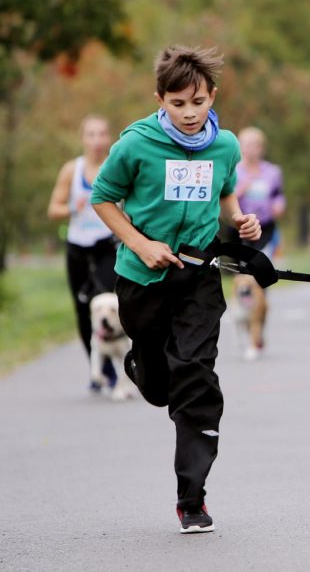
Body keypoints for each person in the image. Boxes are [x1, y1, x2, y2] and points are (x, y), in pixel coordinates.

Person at [91, 45, 261, 534]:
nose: (189, 114)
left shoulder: (224, 144)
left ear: (213, 97)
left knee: (196, 376)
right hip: (143, 280)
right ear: (160, 99)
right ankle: (144, 364)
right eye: (178, 103)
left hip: (198, 277)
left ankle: (192, 498)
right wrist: (142, 245)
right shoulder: (134, 146)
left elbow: (225, 188)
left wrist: (239, 219)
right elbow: (103, 198)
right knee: (159, 384)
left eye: (199, 102)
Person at [47, 115, 119, 392]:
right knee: (82, 309)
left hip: (107, 244)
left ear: (109, 138)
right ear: (83, 138)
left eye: (102, 134)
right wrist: (73, 208)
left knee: (109, 303)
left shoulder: (116, 167)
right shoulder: (71, 170)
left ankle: (117, 364)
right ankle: (97, 368)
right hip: (78, 247)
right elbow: (53, 209)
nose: (97, 140)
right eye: (91, 134)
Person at [232, 126, 285, 259]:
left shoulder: (272, 171)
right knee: (243, 266)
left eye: (255, 145)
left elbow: (278, 195)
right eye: (247, 145)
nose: (251, 149)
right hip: (240, 226)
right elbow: (226, 198)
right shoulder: (234, 171)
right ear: (240, 147)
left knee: (261, 262)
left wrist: (279, 205)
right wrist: (242, 189)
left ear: (262, 148)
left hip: (265, 225)